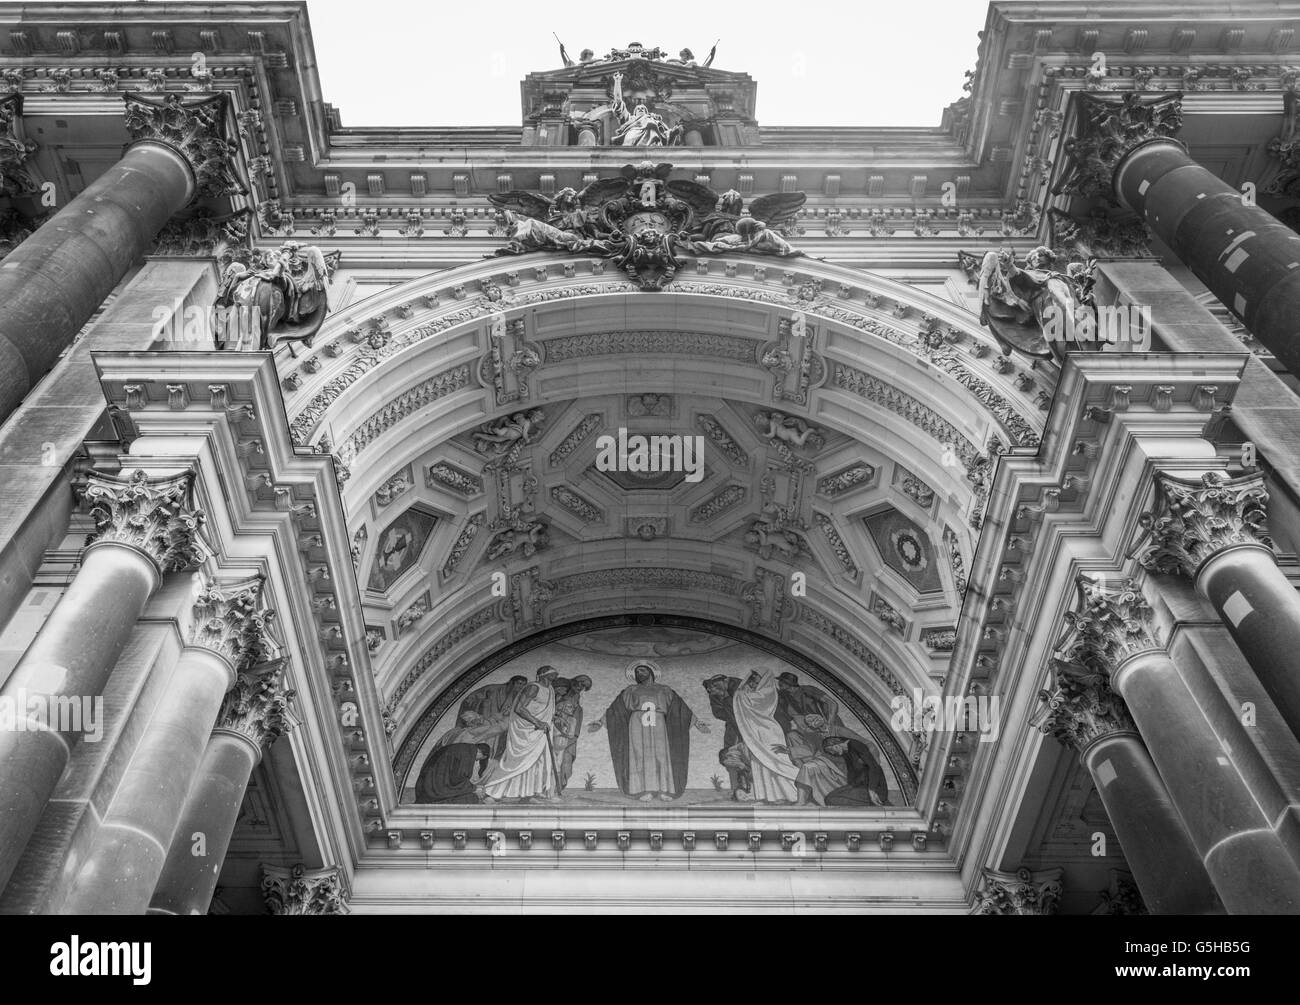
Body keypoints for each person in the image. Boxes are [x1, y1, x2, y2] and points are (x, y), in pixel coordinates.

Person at [589, 660, 709, 801]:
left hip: (659, 723)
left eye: (642, 670)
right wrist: (600, 721)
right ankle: (643, 790)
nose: (639, 673)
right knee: (639, 756)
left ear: (651, 672)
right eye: (637, 672)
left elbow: (680, 708)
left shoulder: (665, 689)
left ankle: (664, 790)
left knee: (661, 755)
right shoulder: (630, 690)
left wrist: (697, 722)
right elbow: (616, 709)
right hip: (636, 724)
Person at [483, 667, 560, 802]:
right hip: (526, 729)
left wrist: (552, 718)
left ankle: (527, 794)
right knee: (516, 762)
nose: (556, 674)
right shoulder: (533, 688)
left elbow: (545, 710)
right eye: (552, 673)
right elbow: (519, 708)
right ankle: (492, 792)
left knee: (537, 761)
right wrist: (537, 722)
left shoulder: (551, 690)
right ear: (544, 675)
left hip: (541, 730)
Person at [732, 669, 800, 803]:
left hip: (769, 731)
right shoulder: (757, 692)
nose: (754, 679)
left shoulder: (768, 690)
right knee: (760, 761)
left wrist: (741, 692)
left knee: (775, 761)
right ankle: (768, 796)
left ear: (765, 677)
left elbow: (750, 701)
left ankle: (789, 794)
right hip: (757, 731)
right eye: (753, 676)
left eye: (757, 676)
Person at [771, 713, 846, 806]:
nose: (791, 722)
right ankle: (803, 799)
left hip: (829, 761)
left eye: (794, 721)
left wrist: (788, 750)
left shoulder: (813, 735)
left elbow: (811, 750)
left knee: (807, 767)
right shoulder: (795, 735)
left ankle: (801, 801)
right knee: (806, 767)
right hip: (821, 759)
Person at [703, 675, 752, 799]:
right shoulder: (715, 694)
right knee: (728, 757)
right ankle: (737, 790)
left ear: (724, 681)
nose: (711, 691)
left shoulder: (739, 687)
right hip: (733, 729)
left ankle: (754, 789)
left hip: (750, 726)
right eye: (710, 689)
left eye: (713, 687)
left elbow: (751, 706)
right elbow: (718, 712)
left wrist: (728, 702)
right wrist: (728, 708)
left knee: (751, 756)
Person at [458, 675, 528, 758]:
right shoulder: (493, 689)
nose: (521, 687)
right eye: (519, 684)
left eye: (523, 685)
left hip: (498, 722)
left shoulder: (518, 698)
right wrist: (480, 709)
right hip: (486, 718)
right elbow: (470, 700)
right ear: (511, 683)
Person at [609, 71, 681, 146]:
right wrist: (617, 82)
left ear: (647, 112)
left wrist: (674, 132)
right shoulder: (630, 118)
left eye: (643, 109)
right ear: (634, 113)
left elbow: (665, 134)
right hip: (632, 136)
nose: (640, 109)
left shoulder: (653, 119)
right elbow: (618, 101)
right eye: (638, 109)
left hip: (653, 139)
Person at [821, 735, 892, 806]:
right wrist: (849, 787)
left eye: (830, 750)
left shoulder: (857, 746)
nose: (832, 753)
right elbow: (851, 772)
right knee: (828, 798)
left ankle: (879, 802)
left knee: (832, 800)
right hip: (858, 786)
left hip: (874, 788)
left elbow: (874, 767)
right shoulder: (846, 751)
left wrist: (872, 791)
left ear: (836, 745)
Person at [414, 743, 492, 804]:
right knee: (471, 798)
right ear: (480, 753)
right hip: (434, 789)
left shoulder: (464, 748)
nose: (476, 760)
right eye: (479, 758)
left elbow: (455, 776)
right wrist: (474, 788)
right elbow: (457, 779)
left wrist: (473, 787)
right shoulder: (468, 754)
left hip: (426, 785)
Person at [551, 674, 592, 791]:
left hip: (570, 734)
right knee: (555, 760)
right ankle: (551, 787)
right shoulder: (559, 694)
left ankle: (559, 786)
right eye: (580, 683)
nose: (581, 687)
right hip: (556, 733)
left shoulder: (576, 698)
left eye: (584, 687)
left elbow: (574, 718)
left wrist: (572, 732)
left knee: (566, 761)